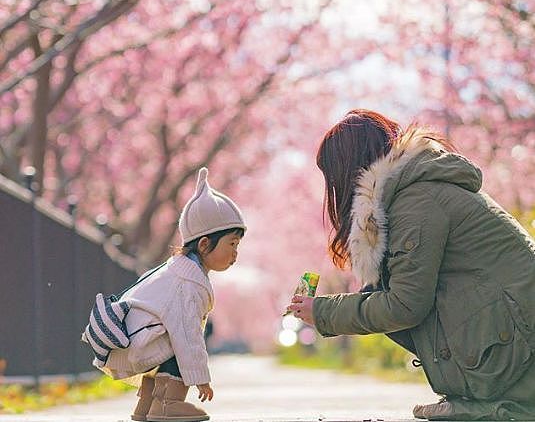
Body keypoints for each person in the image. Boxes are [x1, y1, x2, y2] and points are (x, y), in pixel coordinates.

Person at [289, 109, 535, 421]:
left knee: (389, 297)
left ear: (350, 170)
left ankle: (500, 403)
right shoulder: (417, 191)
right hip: (518, 342)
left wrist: (323, 313)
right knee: (377, 290)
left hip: (519, 353)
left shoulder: (416, 202)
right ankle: (479, 399)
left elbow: (406, 305)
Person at [101, 167, 246, 422]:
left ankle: (146, 405)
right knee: (180, 340)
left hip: (132, 342)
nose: (236, 252)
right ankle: (169, 403)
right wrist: (201, 379)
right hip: (135, 346)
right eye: (231, 244)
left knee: (169, 336)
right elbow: (188, 336)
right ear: (204, 244)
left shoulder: (176, 271)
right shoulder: (188, 284)